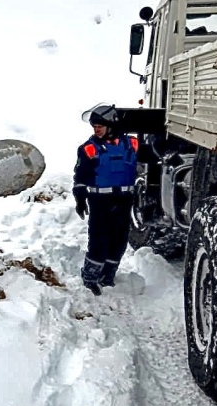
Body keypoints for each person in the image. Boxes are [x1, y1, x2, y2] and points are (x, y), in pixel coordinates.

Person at [72, 104, 139, 296]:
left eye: (100, 125)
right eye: (94, 126)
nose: (97, 129)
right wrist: (80, 198)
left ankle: (108, 275)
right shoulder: (89, 149)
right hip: (100, 201)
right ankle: (90, 278)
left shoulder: (131, 144)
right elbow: (81, 176)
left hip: (124, 199)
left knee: (119, 240)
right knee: (99, 240)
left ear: (112, 125)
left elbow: (151, 157)